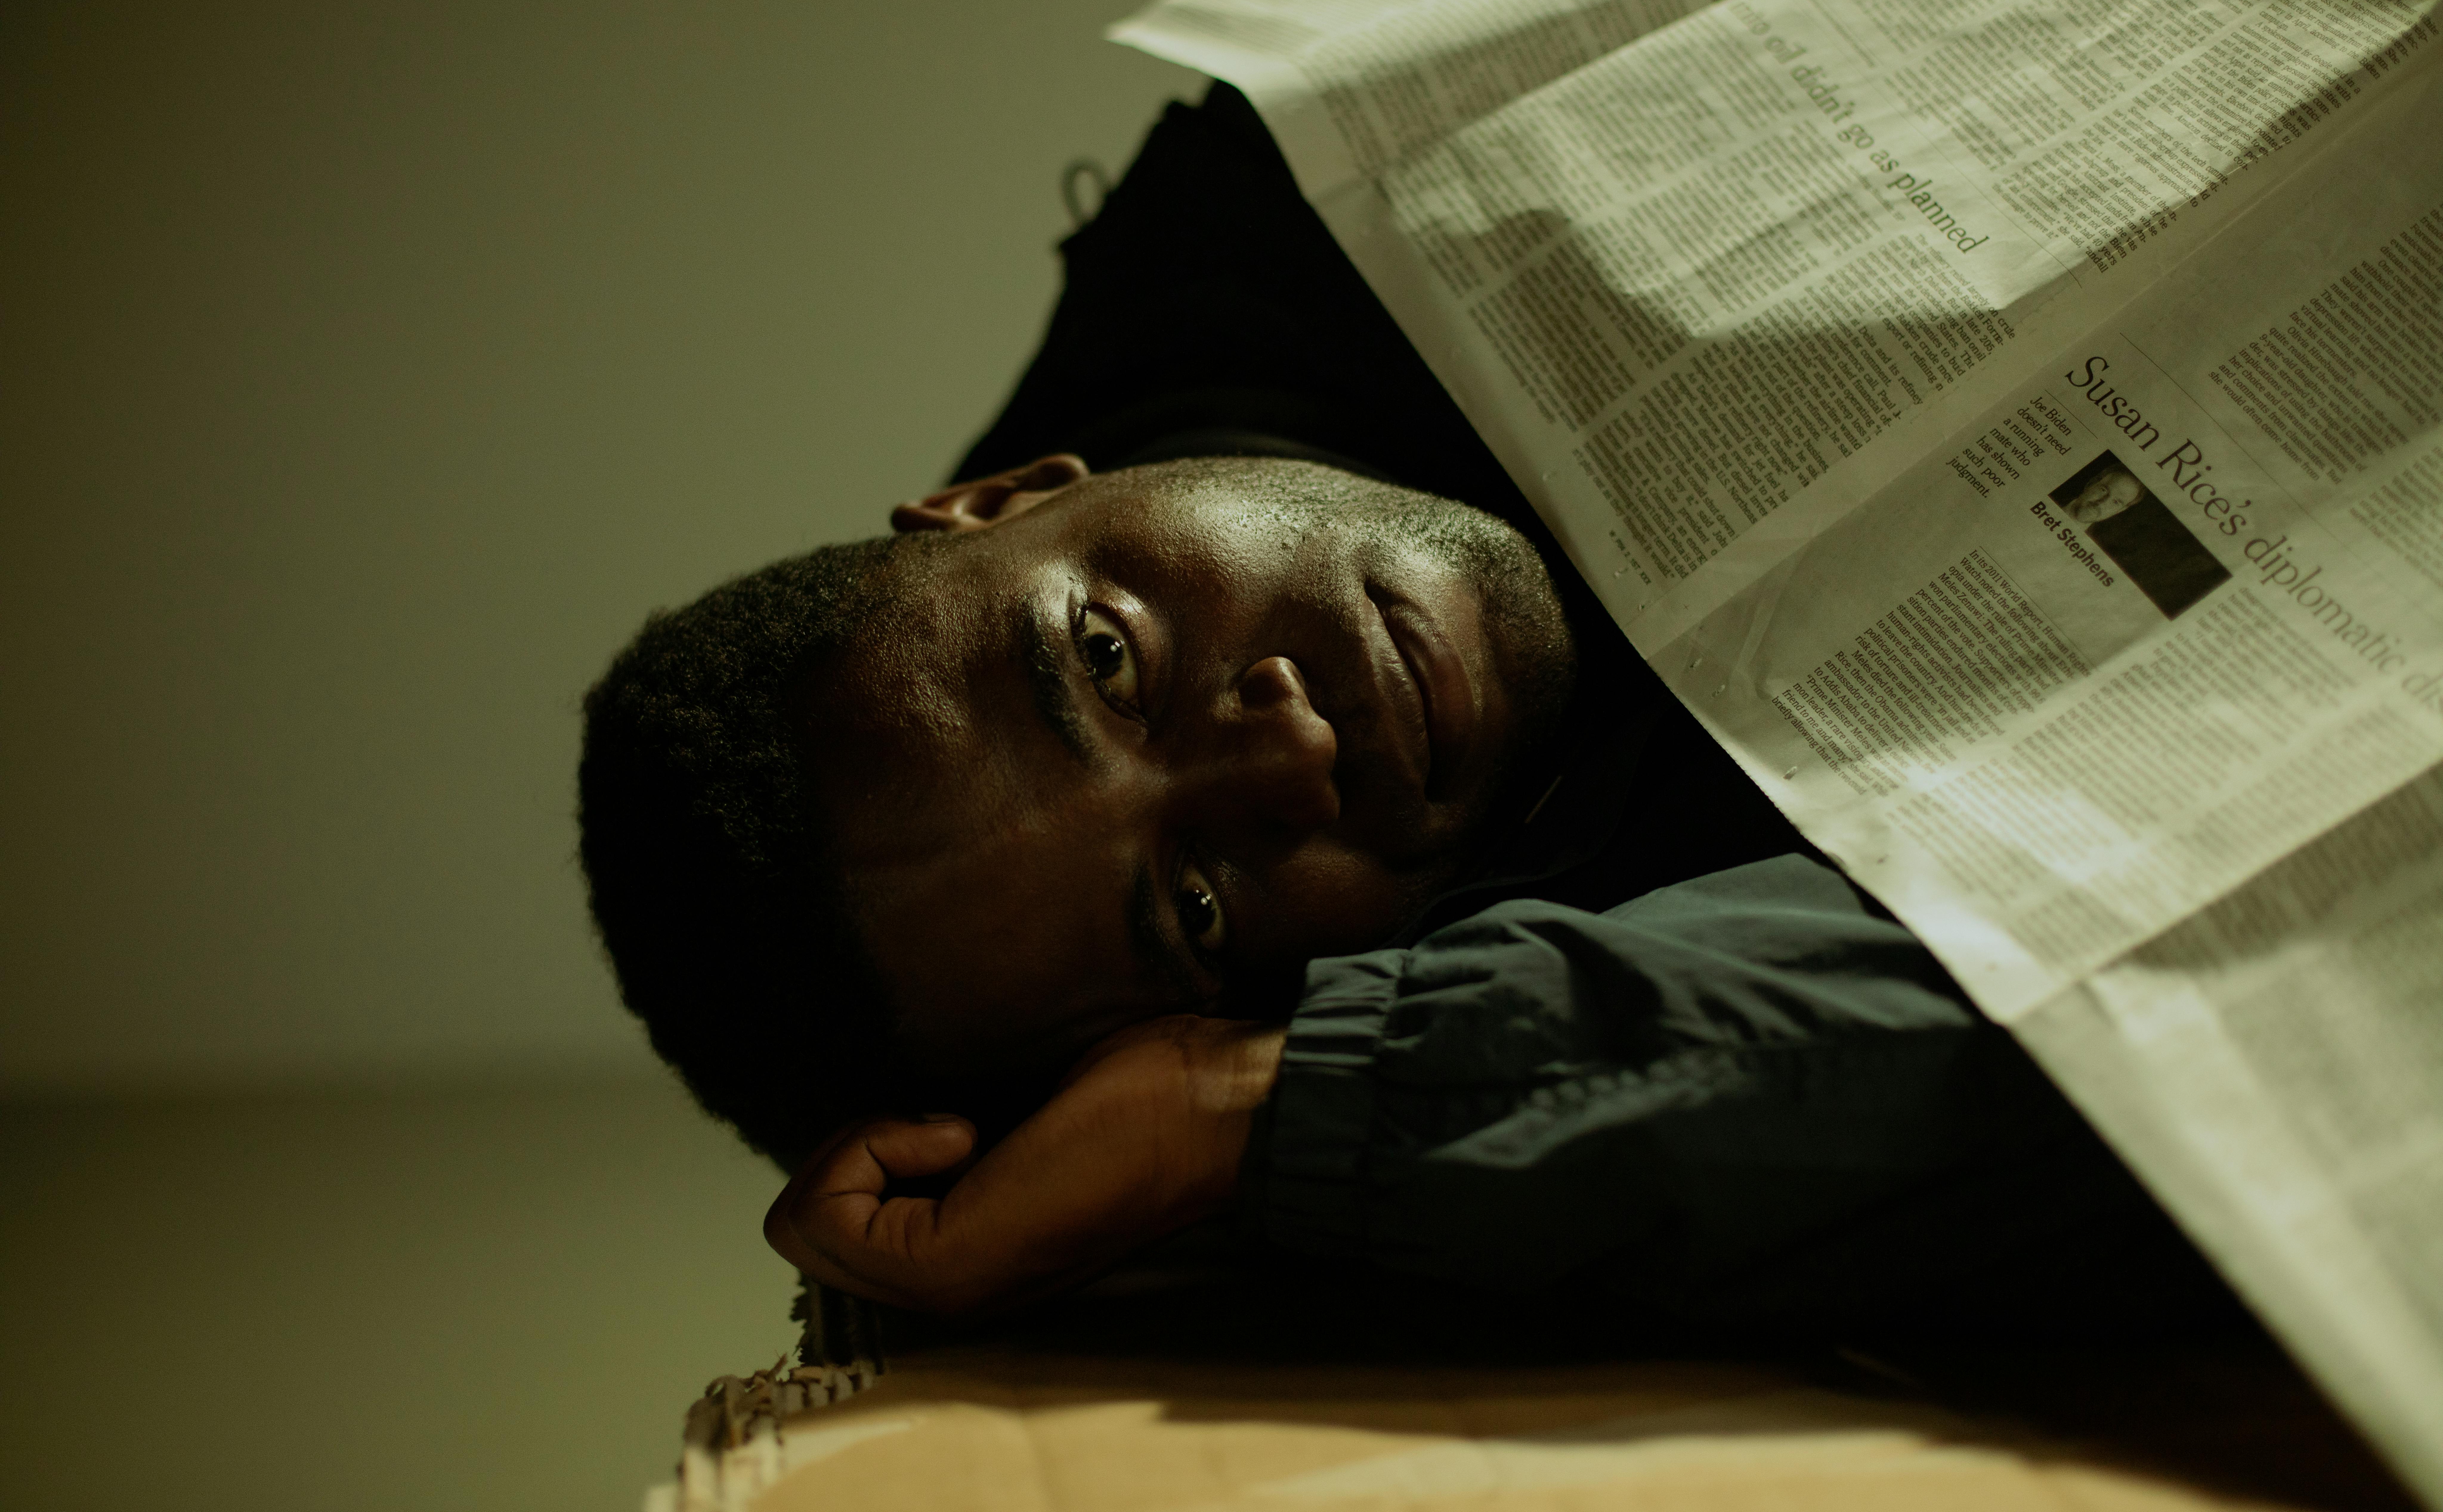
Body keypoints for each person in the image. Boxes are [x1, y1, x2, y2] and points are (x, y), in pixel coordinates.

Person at [579, 86, 2232, 1335]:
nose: (1290, 750)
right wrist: (1239, 1120)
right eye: (1200, 903)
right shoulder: (1509, 992)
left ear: (1006, 495)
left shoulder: (1324, 180)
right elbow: (2184, 1014)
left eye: (1105, 660)